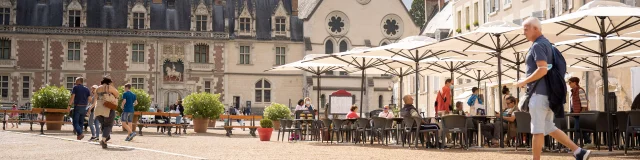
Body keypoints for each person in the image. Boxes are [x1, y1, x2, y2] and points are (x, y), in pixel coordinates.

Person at [516, 17, 590, 160]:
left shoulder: (537, 46)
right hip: (548, 94)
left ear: (535, 29)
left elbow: (542, 69)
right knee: (549, 127)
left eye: (526, 29)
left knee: (537, 130)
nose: (523, 32)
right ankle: (578, 151)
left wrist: (523, 82)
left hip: (539, 95)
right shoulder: (548, 45)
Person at [95, 76, 119, 148]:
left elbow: (96, 98)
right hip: (108, 108)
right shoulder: (109, 87)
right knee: (108, 125)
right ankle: (104, 140)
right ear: (109, 82)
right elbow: (117, 95)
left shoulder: (97, 88)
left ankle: (106, 137)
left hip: (98, 109)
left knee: (103, 124)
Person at [568, 77, 593, 146]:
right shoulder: (573, 91)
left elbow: (584, 102)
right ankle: (588, 141)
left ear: (575, 82)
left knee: (577, 128)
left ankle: (575, 143)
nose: (569, 84)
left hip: (579, 113)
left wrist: (582, 113)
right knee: (580, 127)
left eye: (570, 82)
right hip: (575, 113)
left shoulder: (580, 90)